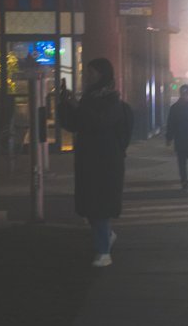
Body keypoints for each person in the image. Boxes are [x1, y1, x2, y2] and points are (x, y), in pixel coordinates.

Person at [57, 58, 133, 268]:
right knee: (91, 204)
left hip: (106, 161)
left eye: (91, 73)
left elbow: (99, 122)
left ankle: (103, 251)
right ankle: (106, 237)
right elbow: (75, 124)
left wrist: (76, 106)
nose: (87, 76)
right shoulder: (89, 98)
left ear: (103, 75)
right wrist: (65, 105)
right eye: (87, 72)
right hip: (88, 159)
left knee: (99, 205)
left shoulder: (112, 101)